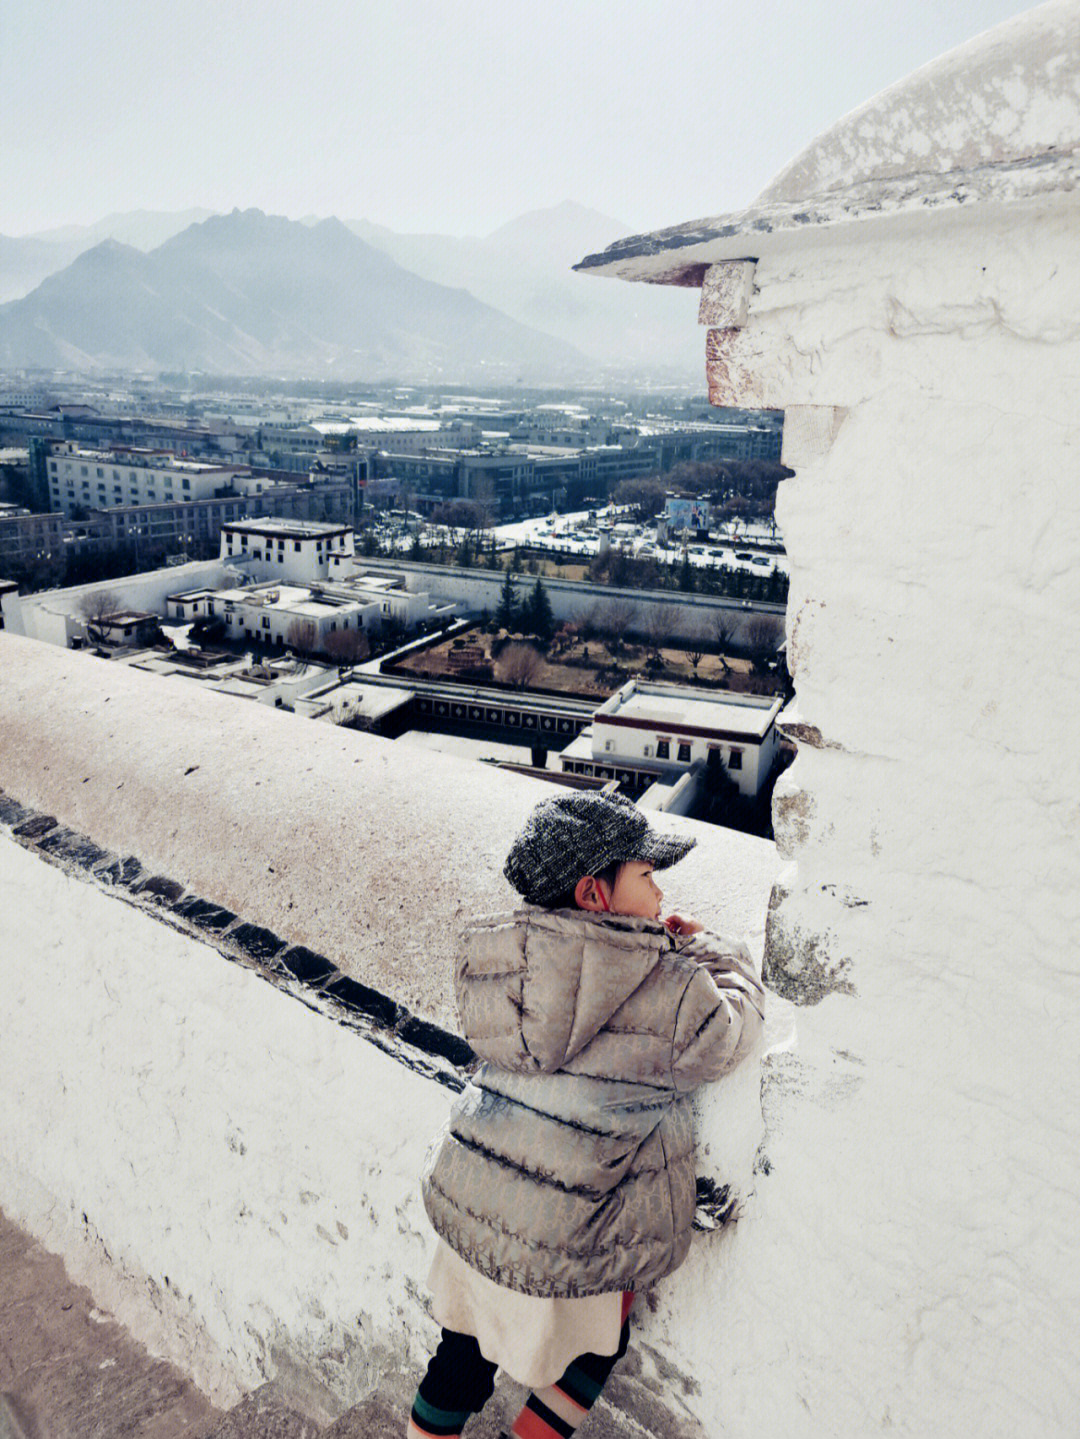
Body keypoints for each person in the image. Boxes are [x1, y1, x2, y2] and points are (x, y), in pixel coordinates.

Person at [409, 790, 765, 1438]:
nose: (659, 896)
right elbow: (731, 1032)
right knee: (595, 1352)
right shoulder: (671, 987)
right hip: (563, 1228)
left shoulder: (499, 966)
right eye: (647, 877)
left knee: (459, 1356)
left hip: (474, 1205)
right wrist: (711, 951)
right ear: (595, 894)